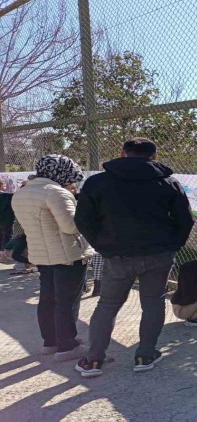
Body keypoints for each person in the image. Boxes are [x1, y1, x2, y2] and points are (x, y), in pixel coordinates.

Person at [73, 138, 194, 378]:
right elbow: (185, 220)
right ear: (153, 156)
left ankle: (94, 360)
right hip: (159, 254)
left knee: (108, 304)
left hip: (116, 255)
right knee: (153, 302)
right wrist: (173, 245)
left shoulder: (98, 182)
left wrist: (102, 245)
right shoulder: (168, 182)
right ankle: (145, 355)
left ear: (123, 153)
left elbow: (83, 219)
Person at [12, 154, 92, 361]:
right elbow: (70, 226)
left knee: (47, 299)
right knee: (67, 302)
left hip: (41, 254)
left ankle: (51, 342)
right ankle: (68, 346)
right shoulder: (56, 193)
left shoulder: (22, 193)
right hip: (67, 254)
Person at [0, 177, 16, 257]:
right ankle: (5, 254)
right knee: (6, 236)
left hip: (4, 219)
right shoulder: (6, 196)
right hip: (6, 219)